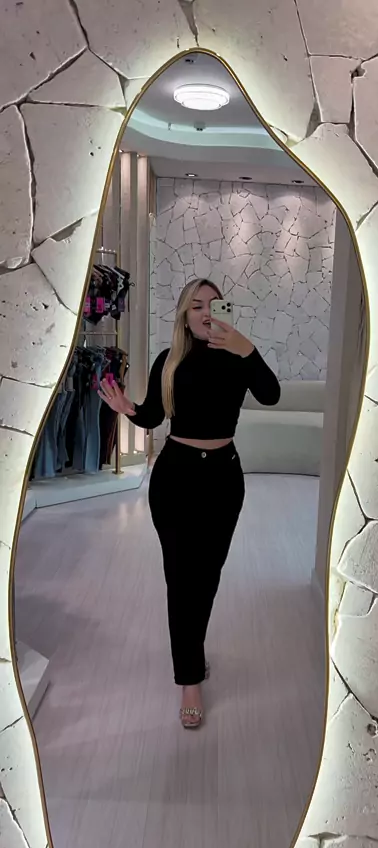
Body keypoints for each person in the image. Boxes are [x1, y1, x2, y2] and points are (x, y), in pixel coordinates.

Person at [98, 278, 281, 728]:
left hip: (223, 479)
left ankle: (191, 654)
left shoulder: (238, 358)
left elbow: (271, 394)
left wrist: (247, 348)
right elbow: (154, 415)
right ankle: (189, 678)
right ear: (184, 314)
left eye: (214, 305)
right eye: (196, 305)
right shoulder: (169, 360)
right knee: (181, 580)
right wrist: (127, 408)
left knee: (207, 577)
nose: (205, 312)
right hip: (175, 479)